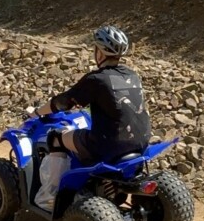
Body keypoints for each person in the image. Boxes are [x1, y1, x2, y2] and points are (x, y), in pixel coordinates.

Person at [32, 25, 151, 209]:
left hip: (108, 145)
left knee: (55, 137)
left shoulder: (96, 79)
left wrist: (38, 112)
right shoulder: (132, 75)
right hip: (141, 143)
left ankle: (50, 196)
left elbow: (63, 102)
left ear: (100, 52)